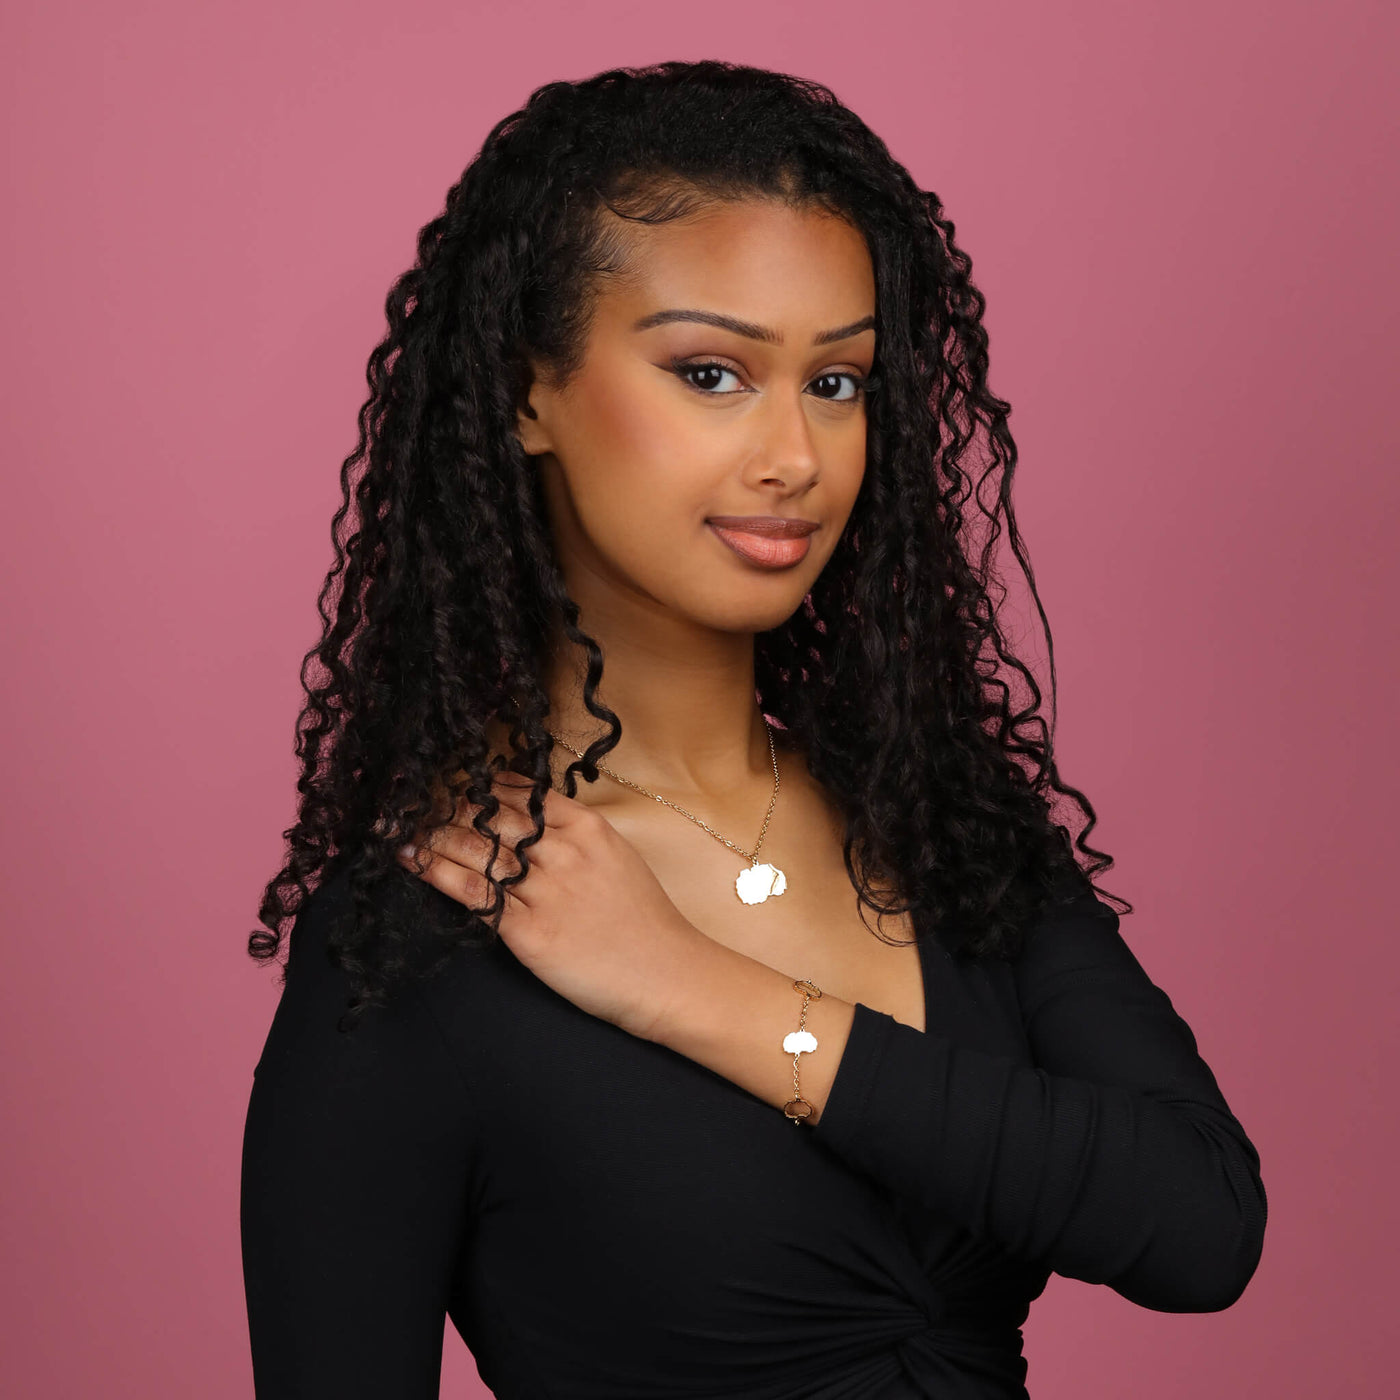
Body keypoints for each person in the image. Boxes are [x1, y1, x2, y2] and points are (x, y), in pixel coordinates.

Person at [239, 59, 1267, 1399]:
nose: (797, 456)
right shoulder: (431, 927)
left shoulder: (940, 826)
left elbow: (1200, 1225)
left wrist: (694, 988)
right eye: (712, 373)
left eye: (837, 382)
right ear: (526, 392)